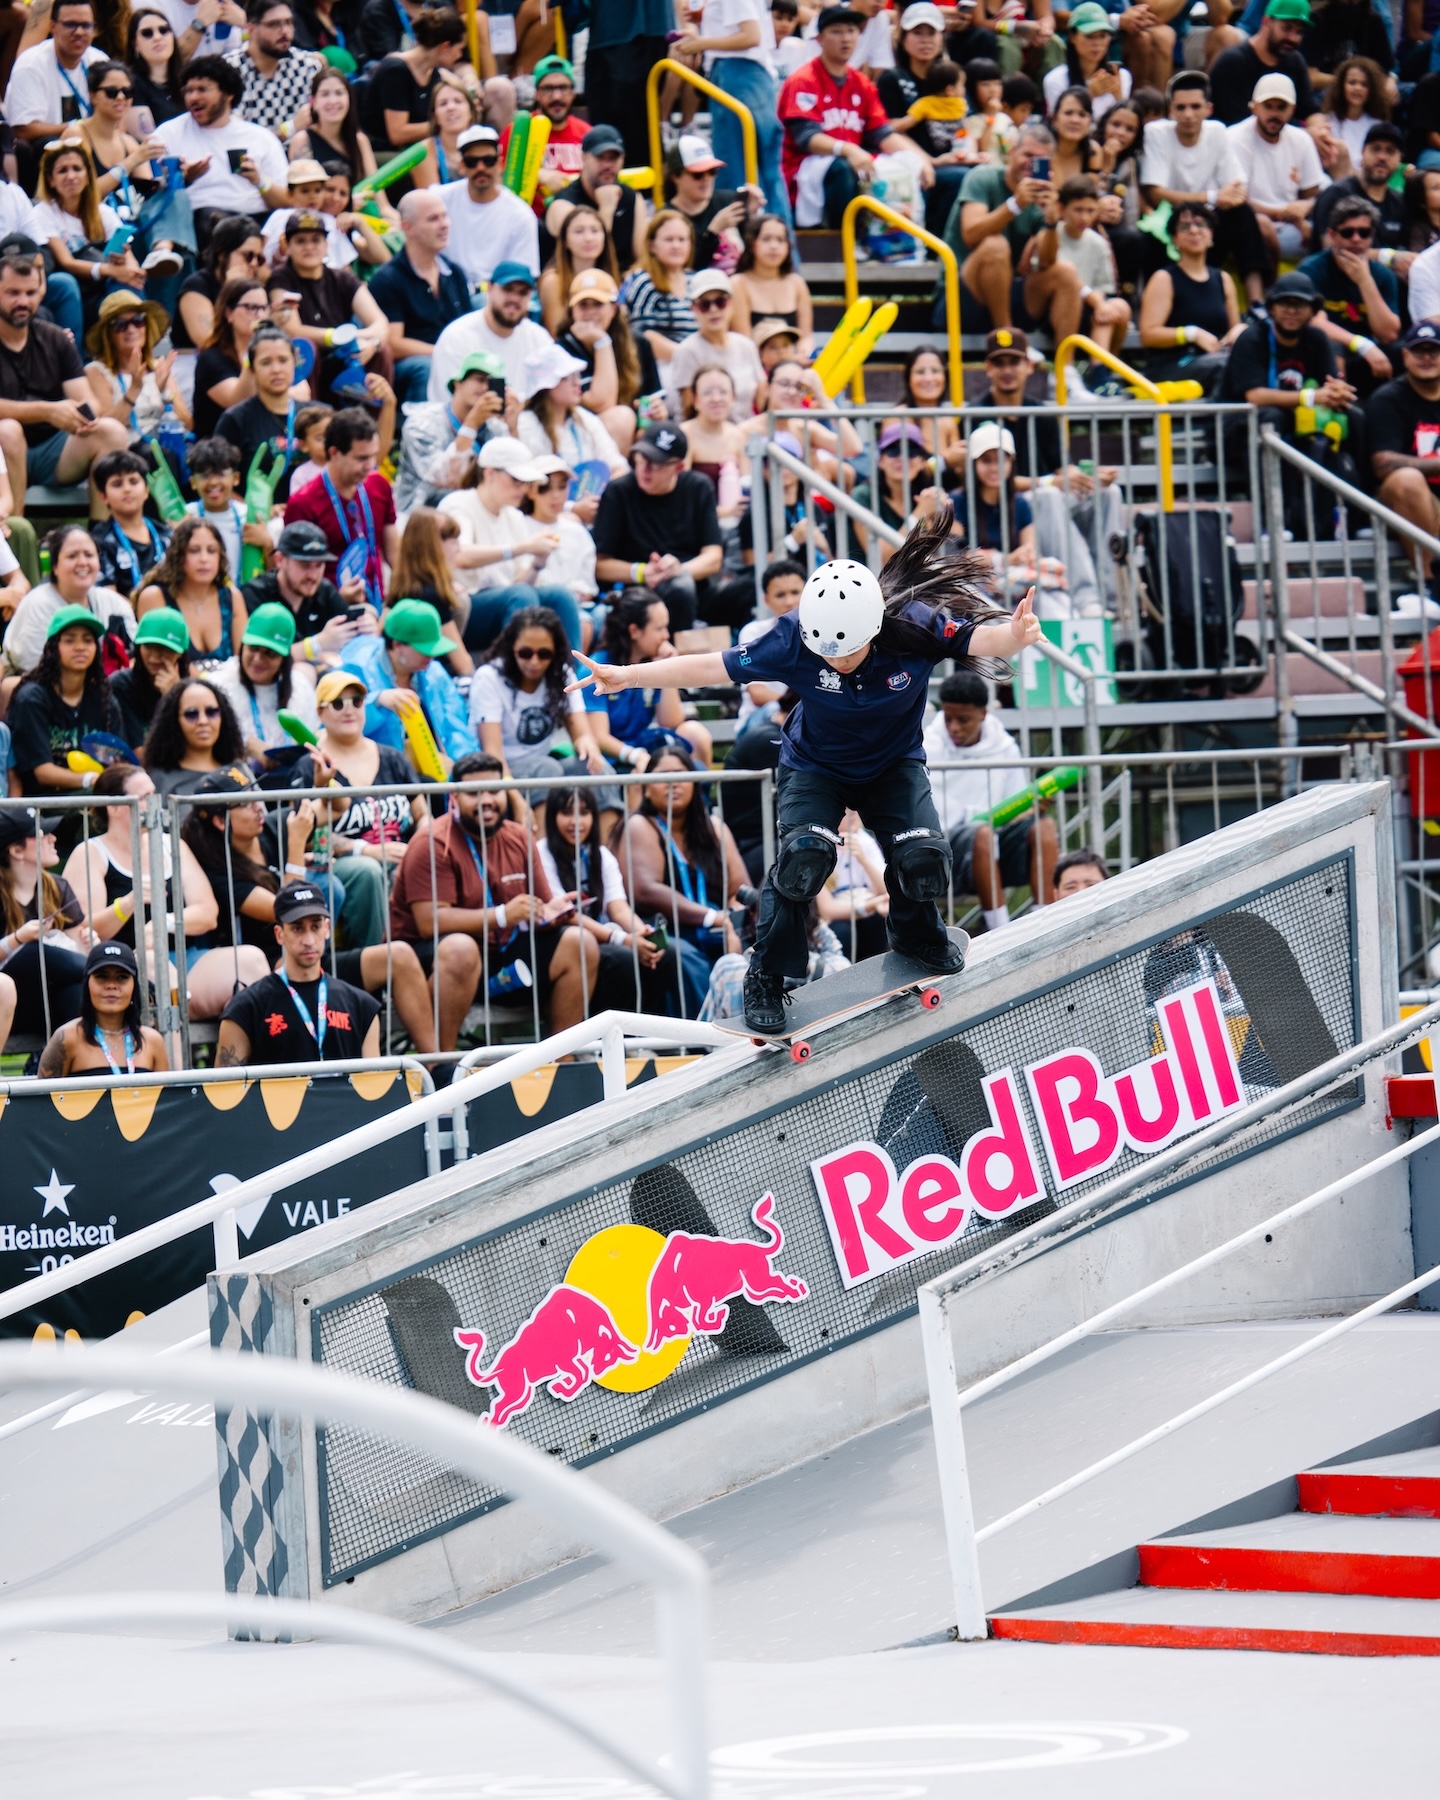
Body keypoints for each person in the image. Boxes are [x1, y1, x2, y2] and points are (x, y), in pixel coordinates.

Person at [574, 511, 1041, 1034]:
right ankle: (767, 976)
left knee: (925, 858)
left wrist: (1015, 637)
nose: (837, 662)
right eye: (827, 654)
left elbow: (983, 643)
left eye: (849, 653)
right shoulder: (793, 637)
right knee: (803, 862)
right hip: (815, 767)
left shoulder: (914, 623)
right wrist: (627, 676)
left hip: (894, 765)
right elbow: (712, 665)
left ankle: (914, 934)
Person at [387, 748, 593, 1041]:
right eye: (475, 792)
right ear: (454, 798)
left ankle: (563, 1059)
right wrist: (502, 915)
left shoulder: (519, 836)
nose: (487, 801)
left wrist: (551, 912)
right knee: (461, 949)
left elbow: (542, 903)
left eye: (494, 790)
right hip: (432, 959)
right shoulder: (432, 841)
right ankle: (441, 1064)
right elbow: (429, 921)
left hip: (501, 954)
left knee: (579, 943)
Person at [286, 665, 429, 958]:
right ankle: (375, 966)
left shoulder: (392, 756)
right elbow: (306, 837)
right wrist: (364, 850)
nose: (349, 709)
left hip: (401, 855)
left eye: (357, 701)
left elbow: (422, 815)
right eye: (338, 703)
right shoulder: (309, 764)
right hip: (342, 863)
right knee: (368, 872)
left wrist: (418, 847)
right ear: (321, 712)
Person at [616, 745, 749, 1017]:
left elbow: (740, 891)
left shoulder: (714, 827)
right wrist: (711, 917)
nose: (673, 783)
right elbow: (645, 890)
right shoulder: (641, 825)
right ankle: (708, 1037)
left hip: (716, 926)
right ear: (645, 786)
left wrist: (735, 917)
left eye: (680, 774)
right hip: (666, 930)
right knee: (681, 955)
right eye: (662, 776)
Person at [777, 3, 933, 230]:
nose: (846, 39)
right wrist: (849, 150)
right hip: (805, 169)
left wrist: (919, 160)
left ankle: (900, 243)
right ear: (819, 39)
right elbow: (806, 137)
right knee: (842, 168)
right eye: (837, 31)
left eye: (852, 31)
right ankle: (843, 241)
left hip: (853, 160)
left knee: (910, 166)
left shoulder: (861, 83)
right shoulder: (803, 80)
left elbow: (881, 132)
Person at [922, 667, 1055, 930]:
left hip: (995, 845)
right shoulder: (928, 746)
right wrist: (984, 818)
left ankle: (1047, 919)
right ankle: (1000, 929)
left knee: (1043, 827)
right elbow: (934, 812)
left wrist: (1029, 809)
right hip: (947, 853)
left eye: (963, 720)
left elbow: (1015, 803)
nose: (954, 728)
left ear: (983, 714)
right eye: (948, 719)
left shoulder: (1004, 746)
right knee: (981, 833)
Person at [0, 250, 132, 501]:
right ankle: (15, 535)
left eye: (30, 293)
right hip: (2, 453)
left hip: (53, 450)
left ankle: (102, 533)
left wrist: (81, 415)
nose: (23, 302)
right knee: (8, 431)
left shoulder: (55, 338)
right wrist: (48, 411)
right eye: (13, 293)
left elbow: (87, 401)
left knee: (111, 431)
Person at [436, 435, 580, 653]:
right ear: (490, 473)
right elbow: (461, 556)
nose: (522, 489)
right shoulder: (458, 504)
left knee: (560, 596)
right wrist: (522, 548)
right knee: (520, 595)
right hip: (462, 606)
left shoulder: (513, 516)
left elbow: (520, 582)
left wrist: (537, 563)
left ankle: (570, 674)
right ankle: (511, 673)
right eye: (516, 480)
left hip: (504, 602)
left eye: (525, 482)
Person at [216, 876, 381, 1063]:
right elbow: (226, 1089)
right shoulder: (246, 1008)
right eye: (297, 929)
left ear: (327, 929)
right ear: (279, 934)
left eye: (316, 927)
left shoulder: (362, 1007)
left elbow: (374, 1088)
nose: (309, 940)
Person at [539, 785, 673, 1014]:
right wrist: (622, 939)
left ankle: (642, 1038)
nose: (576, 822)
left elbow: (618, 908)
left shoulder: (601, 855)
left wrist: (643, 935)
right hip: (564, 941)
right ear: (552, 817)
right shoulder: (542, 853)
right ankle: (604, 1042)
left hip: (604, 935)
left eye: (584, 813)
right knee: (620, 959)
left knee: (664, 955)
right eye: (566, 813)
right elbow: (565, 915)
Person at [1142, 70, 1268, 304]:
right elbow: (1155, 194)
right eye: (1180, 108)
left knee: (1244, 215)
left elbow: (1238, 187)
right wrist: (1213, 196)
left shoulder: (1217, 131)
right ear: (1170, 110)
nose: (1188, 114)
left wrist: (1223, 199)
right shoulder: (1156, 132)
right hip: (1169, 221)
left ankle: (1256, 303)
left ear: (1208, 109)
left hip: (1206, 218)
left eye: (1195, 106)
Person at [949, 123, 1082, 343]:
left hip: (1009, 292)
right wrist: (1015, 205)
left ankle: (1065, 370)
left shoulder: (1041, 197)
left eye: (1039, 160)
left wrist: (1051, 220)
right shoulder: (984, 177)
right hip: (962, 295)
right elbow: (970, 234)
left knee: (1065, 272)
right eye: (1027, 155)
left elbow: (1047, 260)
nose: (1030, 164)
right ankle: (1009, 339)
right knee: (995, 245)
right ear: (1012, 152)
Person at [591, 423, 730, 634]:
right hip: (637, 590)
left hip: (693, 581)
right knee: (680, 590)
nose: (646, 469)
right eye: (642, 459)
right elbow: (599, 564)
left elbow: (713, 556)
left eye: (658, 464)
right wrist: (641, 572)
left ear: (679, 467)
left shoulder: (698, 487)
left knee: (750, 587)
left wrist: (680, 571)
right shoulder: (618, 491)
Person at [469, 606, 607, 803]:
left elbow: (583, 734)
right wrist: (514, 797)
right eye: (525, 653)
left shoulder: (562, 675)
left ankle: (611, 832)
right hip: (499, 773)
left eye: (544, 654)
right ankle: (543, 834)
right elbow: (493, 754)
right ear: (511, 649)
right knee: (547, 769)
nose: (534, 662)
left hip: (544, 768)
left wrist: (587, 745)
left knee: (598, 769)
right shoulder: (489, 678)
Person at [674, 0, 790, 229]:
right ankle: (781, 255)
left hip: (739, 77)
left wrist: (700, 43)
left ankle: (744, 251)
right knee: (764, 176)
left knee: (738, 176)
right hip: (749, 79)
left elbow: (750, 36)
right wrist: (706, 19)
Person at [266, 207, 394, 407]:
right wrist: (338, 337)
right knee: (305, 349)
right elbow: (293, 330)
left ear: (326, 245)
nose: (309, 247)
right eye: (300, 241)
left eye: (316, 240)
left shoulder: (342, 278)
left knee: (381, 351)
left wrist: (372, 344)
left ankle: (376, 423)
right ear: (287, 246)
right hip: (312, 360)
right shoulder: (281, 278)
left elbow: (380, 322)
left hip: (343, 356)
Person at [152, 54, 291, 231]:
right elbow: (153, 197)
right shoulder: (168, 133)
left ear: (228, 95)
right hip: (201, 222)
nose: (193, 97)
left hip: (256, 222)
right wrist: (185, 179)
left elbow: (286, 201)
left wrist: (258, 180)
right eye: (188, 91)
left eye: (202, 90)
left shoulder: (260, 137)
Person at [581, 587, 715, 772]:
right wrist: (635, 756)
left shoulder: (652, 663)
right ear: (634, 631)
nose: (666, 636)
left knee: (694, 734)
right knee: (640, 774)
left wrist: (668, 667)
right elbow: (599, 737)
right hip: (608, 762)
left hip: (643, 748)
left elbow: (672, 722)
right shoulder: (597, 669)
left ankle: (699, 802)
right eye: (659, 629)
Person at [282, 406, 398, 616]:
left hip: (378, 607)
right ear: (334, 453)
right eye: (361, 458)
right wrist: (337, 599)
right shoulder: (303, 502)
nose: (370, 465)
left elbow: (395, 556)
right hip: (325, 615)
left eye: (373, 456)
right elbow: (294, 579)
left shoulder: (379, 485)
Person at [366, 188, 472, 410]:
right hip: (410, 368)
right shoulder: (387, 279)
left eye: (445, 216)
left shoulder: (454, 273)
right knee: (426, 367)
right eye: (433, 219)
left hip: (453, 357)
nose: (444, 224)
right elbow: (393, 344)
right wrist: (442, 353)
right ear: (408, 227)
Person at [338, 596, 474, 769]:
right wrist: (377, 702)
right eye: (424, 649)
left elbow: (456, 729)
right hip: (376, 778)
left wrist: (462, 770)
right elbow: (333, 725)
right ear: (397, 645)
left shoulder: (435, 672)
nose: (431, 656)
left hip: (433, 779)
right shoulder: (355, 670)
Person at [8, 604, 122, 796]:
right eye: (69, 641)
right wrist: (91, 779)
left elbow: (117, 760)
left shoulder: (105, 701)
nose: (80, 647)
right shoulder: (32, 699)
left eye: (87, 641)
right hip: (44, 805)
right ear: (54, 647)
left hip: (94, 795)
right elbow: (42, 772)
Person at [0, 806, 89, 1043]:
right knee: (34, 952)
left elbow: (73, 951)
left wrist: (87, 944)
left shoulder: (58, 887)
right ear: (17, 850)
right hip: (5, 1002)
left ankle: (79, 1075)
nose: (52, 838)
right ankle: (107, 971)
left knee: (76, 993)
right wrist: (17, 938)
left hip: (47, 1003)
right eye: (41, 834)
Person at [1, 523, 133, 680]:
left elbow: (134, 657)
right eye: (72, 556)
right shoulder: (36, 604)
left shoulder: (115, 603)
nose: (82, 562)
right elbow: (34, 672)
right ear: (55, 566)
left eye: (89, 555)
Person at [1297, 195, 1401, 393]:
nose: (1356, 239)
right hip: (1325, 351)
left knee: (1403, 352)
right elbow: (1313, 322)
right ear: (1332, 235)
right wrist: (1361, 344)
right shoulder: (1312, 269)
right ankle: (1339, 405)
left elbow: (1388, 333)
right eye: (1347, 233)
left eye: (1364, 233)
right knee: (1332, 344)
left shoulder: (1383, 275)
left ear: (1372, 236)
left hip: (1369, 356)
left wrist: (1365, 281)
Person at [1367, 319, 1440, 594]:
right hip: (1410, 501)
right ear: (1405, 356)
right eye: (1418, 351)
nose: (1426, 358)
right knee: (1407, 480)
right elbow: (1382, 464)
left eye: (1433, 351)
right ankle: (1430, 585)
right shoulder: (1389, 399)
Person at [1137, 201, 1243, 390]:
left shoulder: (1223, 279)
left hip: (1214, 357)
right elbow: (1149, 334)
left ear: (1211, 235)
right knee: (1224, 366)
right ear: (1174, 239)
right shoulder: (1164, 278)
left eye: (1201, 225)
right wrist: (1190, 334)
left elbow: (1232, 329)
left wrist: (1239, 331)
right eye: (1184, 227)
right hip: (1172, 365)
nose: (1194, 231)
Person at [1228, 73, 1325, 278]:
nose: (1274, 114)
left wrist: (1306, 207)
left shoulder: (1301, 139)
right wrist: (1289, 216)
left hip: (1292, 227)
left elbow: (1314, 193)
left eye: (1281, 107)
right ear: (1254, 107)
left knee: (1337, 235)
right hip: (1250, 225)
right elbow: (1238, 201)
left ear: (1293, 110)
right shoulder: (1235, 138)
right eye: (1268, 106)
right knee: (1263, 231)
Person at [240, 517, 372, 665]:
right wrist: (316, 645)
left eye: (319, 565)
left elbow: (354, 639)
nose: (313, 575)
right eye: (305, 565)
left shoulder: (325, 590)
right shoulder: (255, 596)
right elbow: (254, 661)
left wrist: (366, 625)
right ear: (279, 560)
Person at [557, 268, 657, 453]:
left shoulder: (639, 344)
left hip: (631, 434)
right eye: (583, 305)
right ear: (572, 312)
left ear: (614, 308)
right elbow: (601, 403)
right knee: (621, 418)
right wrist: (601, 342)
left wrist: (650, 418)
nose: (590, 312)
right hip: (577, 436)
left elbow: (649, 399)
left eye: (598, 304)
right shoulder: (563, 350)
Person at [36, 936, 170, 1073]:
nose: (111, 985)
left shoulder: (152, 1041)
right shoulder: (67, 1038)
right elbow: (43, 1094)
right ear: (87, 984)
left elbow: (167, 1094)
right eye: (102, 976)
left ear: (134, 986)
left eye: (122, 977)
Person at [393, 350, 504, 514]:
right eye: (479, 379)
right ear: (458, 383)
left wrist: (514, 427)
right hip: (421, 517)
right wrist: (470, 425)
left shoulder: (494, 427)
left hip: (476, 515)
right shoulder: (422, 423)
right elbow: (444, 478)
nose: (485, 388)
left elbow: (511, 473)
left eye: (492, 383)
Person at [210, 600, 319, 764]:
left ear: (284, 659)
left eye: (270, 654)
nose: (258, 659)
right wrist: (247, 746)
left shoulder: (301, 688)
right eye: (253, 649)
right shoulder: (218, 686)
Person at [426, 257, 550, 402]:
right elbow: (446, 403)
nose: (515, 299)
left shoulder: (540, 338)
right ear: (490, 289)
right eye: (507, 289)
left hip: (524, 422)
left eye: (522, 293)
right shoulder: (457, 336)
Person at [434, 121, 537, 292]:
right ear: (461, 166)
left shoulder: (520, 214)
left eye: (488, 160)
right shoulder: (438, 200)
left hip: (498, 296)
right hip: (447, 293)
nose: (481, 168)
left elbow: (523, 278)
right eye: (472, 162)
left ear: (499, 163)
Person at [135, 513, 245, 670]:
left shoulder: (233, 597)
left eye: (211, 550)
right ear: (178, 556)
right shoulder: (155, 597)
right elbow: (158, 661)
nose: (204, 559)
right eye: (194, 550)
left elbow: (244, 661)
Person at [360, 5, 467, 163]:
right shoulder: (395, 71)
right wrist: (442, 124)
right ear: (444, 47)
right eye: (459, 49)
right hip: (381, 152)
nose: (459, 56)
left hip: (415, 148)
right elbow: (397, 133)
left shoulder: (434, 74)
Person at [213, 324, 306, 496]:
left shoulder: (315, 414)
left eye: (283, 360)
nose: (276, 369)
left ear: (295, 363)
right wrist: (252, 512)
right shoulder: (235, 419)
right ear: (252, 369)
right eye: (266, 362)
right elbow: (217, 481)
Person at [84, 288, 190, 437]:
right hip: (127, 453)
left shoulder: (158, 367)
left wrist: (164, 391)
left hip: (163, 448)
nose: (131, 329)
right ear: (108, 336)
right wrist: (134, 389)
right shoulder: (96, 371)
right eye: (120, 324)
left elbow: (188, 424)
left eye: (138, 320)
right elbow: (102, 433)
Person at [516, 342, 626, 484]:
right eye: (566, 377)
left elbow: (617, 466)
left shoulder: (586, 419)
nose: (577, 383)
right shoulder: (525, 425)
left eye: (577, 375)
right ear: (546, 385)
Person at [3, 0, 106, 153]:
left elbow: (119, 117)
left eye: (86, 25)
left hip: (94, 144)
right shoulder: (30, 64)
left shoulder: (99, 61)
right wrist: (79, 127)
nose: (79, 32)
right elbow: (24, 130)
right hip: (50, 152)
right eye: (70, 24)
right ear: (52, 27)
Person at [663, 269, 766, 423]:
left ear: (731, 304)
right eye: (705, 304)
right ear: (694, 309)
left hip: (748, 436)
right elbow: (688, 411)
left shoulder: (747, 346)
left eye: (720, 302)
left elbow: (762, 401)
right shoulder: (687, 351)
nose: (713, 310)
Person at [542, 122, 648, 271]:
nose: (607, 165)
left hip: (622, 284)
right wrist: (606, 209)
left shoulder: (632, 198)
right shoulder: (563, 204)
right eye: (600, 157)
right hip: (576, 284)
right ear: (584, 157)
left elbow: (642, 258)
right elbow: (588, 256)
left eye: (613, 158)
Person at [659, 133, 766, 276]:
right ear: (675, 176)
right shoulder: (666, 218)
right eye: (697, 174)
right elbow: (684, 268)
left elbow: (757, 252)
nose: (706, 179)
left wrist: (754, 216)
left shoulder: (728, 201)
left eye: (712, 171)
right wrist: (713, 232)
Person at [497, 53, 587, 214]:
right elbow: (498, 178)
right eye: (548, 89)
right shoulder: (517, 131)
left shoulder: (586, 132)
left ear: (573, 93)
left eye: (563, 88)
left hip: (579, 220)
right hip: (532, 220)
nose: (557, 96)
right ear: (537, 94)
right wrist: (536, 175)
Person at [1052, 175, 1131, 356]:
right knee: (1102, 307)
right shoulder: (1052, 235)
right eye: (1078, 210)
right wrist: (1098, 304)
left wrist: (1100, 306)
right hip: (1057, 308)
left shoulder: (1098, 242)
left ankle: (1100, 371)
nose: (1084, 217)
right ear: (1062, 209)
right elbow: (1065, 275)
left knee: (1119, 307)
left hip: (1088, 307)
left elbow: (1102, 286)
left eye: (1090, 211)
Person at [1209, 0, 1319, 129]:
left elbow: (1310, 110)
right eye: (1286, 28)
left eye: (1299, 32)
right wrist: (1304, 133)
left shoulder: (1295, 61)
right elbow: (1241, 125)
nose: (1293, 38)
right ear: (1266, 22)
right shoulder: (1233, 62)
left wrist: (1318, 130)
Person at [385, 507, 470, 670]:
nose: (458, 549)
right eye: (453, 542)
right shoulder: (431, 594)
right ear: (433, 547)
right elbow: (463, 664)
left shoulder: (403, 586)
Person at [175, 212, 267, 353]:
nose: (254, 264)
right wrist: (229, 293)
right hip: (195, 361)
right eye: (248, 256)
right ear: (222, 255)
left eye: (259, 258)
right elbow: (206, 340)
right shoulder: (196, 285)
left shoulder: (254, 289)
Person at [140, 671, 247, 790]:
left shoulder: (239, 770)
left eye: (211, 712)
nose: (203, 721)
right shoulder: (158, 779)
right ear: (174, 721)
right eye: (191, 714)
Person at [89, 446, 172, 597]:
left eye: (133, 482)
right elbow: (108, 598)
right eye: (117, 484)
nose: (127, 489)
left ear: (146, 491)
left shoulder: (166, 533)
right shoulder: (99, 540)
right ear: (103, 496)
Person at [191, 275, 268, 439]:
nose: (259, 315)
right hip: (219, 448)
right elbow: (239, 401)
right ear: (229, 313)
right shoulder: (211, 358)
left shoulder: (273, 350)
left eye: (263, 308)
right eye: (251, 307)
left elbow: (302, 390)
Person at [1314, 121, 1406, 258]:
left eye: (1390, 151)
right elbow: (1331, 251)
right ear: (1362, 153)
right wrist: (1388, 257)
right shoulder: (1337, 194)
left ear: (1400, 159)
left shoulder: (1400, 203)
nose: (1382, 157)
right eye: (1375, 149)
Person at [619, 210, 698, 368]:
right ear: (652, 245)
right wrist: (687, 358)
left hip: (698, 363)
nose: (676, 246)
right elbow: (641, 335)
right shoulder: (642, 281)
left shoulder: (696, 281)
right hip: (659, 367)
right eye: (669, 240)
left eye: (682, 240)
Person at [225, 0, 320, 132]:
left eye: (288, 22)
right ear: (251, 29)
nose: (284, 31)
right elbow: (235, 138)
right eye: (273, 25)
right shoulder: (229, 71)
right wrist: (289, 129)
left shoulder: (307, 66)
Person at [730, 214, 814, 361]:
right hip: (752, 367)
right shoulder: (738, 283)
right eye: (766, 239)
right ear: (752, 243)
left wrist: (802, 356)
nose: (774, 246)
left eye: (780, 240)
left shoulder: (797, 283)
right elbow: (745, 343)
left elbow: (806, 337)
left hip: (793, 366)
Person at [108, 602, 188, 744]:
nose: (155, 656)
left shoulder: (194, 691)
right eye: (149, 646)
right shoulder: (121, 686)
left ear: (180, 653)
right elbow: (139, 755)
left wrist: (174, 697)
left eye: (165, 648)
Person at [1043, 3, 1132, 126]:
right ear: (1073, 37)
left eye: (1102, 36)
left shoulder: (1121, 76)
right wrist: (1088, 94)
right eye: (1089, 36)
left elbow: (1125, 126)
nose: (1097, 43)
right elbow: (1059, 124)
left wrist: (1119, 96)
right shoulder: (1054, 79)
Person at [288, 64, 378, 182]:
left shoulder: (359, 140)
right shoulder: (302, 140)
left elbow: (377, 192)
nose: (333, 101)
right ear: (313, 102)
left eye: (339, 93)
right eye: (325, 94)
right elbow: (302, 195)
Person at [682, 366, 749, 520]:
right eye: (707, 393)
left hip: (734, 521)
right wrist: (721, 513)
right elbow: (681, 492)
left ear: (733, 397)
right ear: (695, 400)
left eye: (723, 392)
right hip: (694, 519)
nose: (716, 398)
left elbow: (747, 485)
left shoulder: (740, 436)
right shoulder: (685, 434)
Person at [126, 8, 186, 128]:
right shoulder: (131, 85)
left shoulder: (189, 79)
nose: (157, 37)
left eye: (163, 30)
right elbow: (149, 140)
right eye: (147, 33)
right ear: (135, 45)